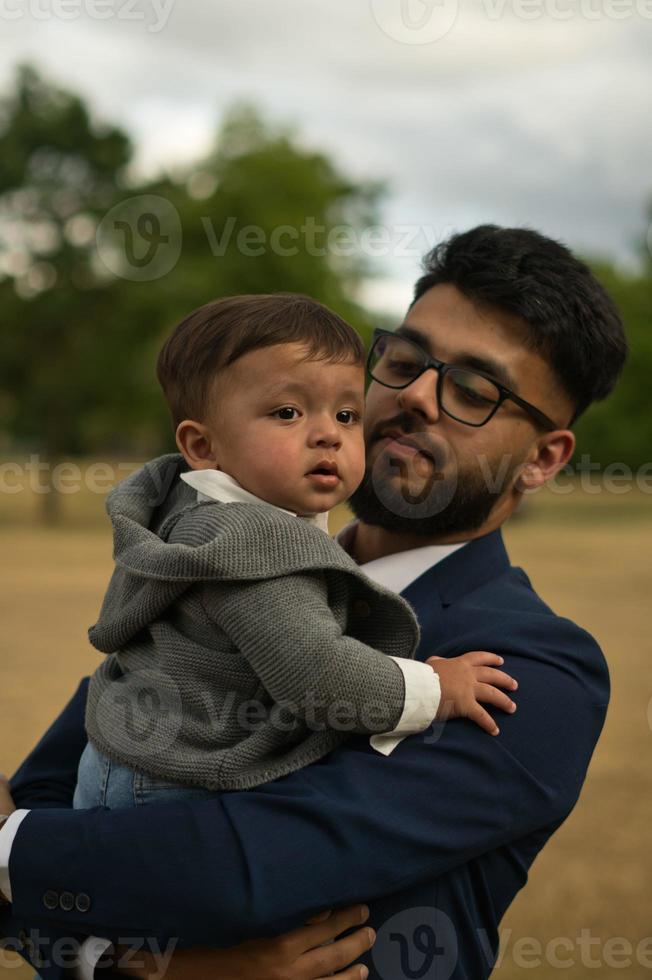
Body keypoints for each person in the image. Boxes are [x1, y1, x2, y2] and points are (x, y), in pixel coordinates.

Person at [0, 225, 627, 980]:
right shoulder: (215, 554)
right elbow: (56, 785)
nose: (416, 397)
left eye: (472, 389)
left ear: (543, 458)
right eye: (403, 361)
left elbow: (259, 859)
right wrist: (133, 966)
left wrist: (11, 853)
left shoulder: (534, 669)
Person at [73, 293, 517, 812]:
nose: (328, 434)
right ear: (202, 446)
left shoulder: (188, 505)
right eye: (287, 412)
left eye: (348, 414)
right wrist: (435, 690)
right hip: (172, 789)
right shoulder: (253, 547)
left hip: (133, 762)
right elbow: (318, 675)